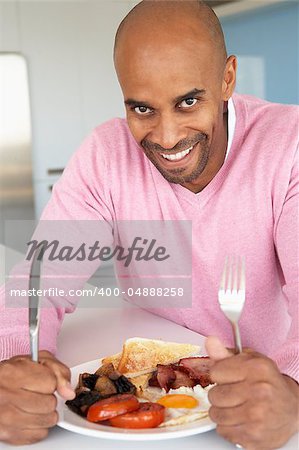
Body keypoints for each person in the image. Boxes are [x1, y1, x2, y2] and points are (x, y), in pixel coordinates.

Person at [0, 0, 298, 447]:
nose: (167, 136)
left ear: (227, 78)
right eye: (142, 109)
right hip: (145, 389)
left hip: (262, 385)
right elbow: (42, 278)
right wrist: (16, 363)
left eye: (189, 101)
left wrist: (293, 389)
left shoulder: (288, 145)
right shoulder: (105, 154)